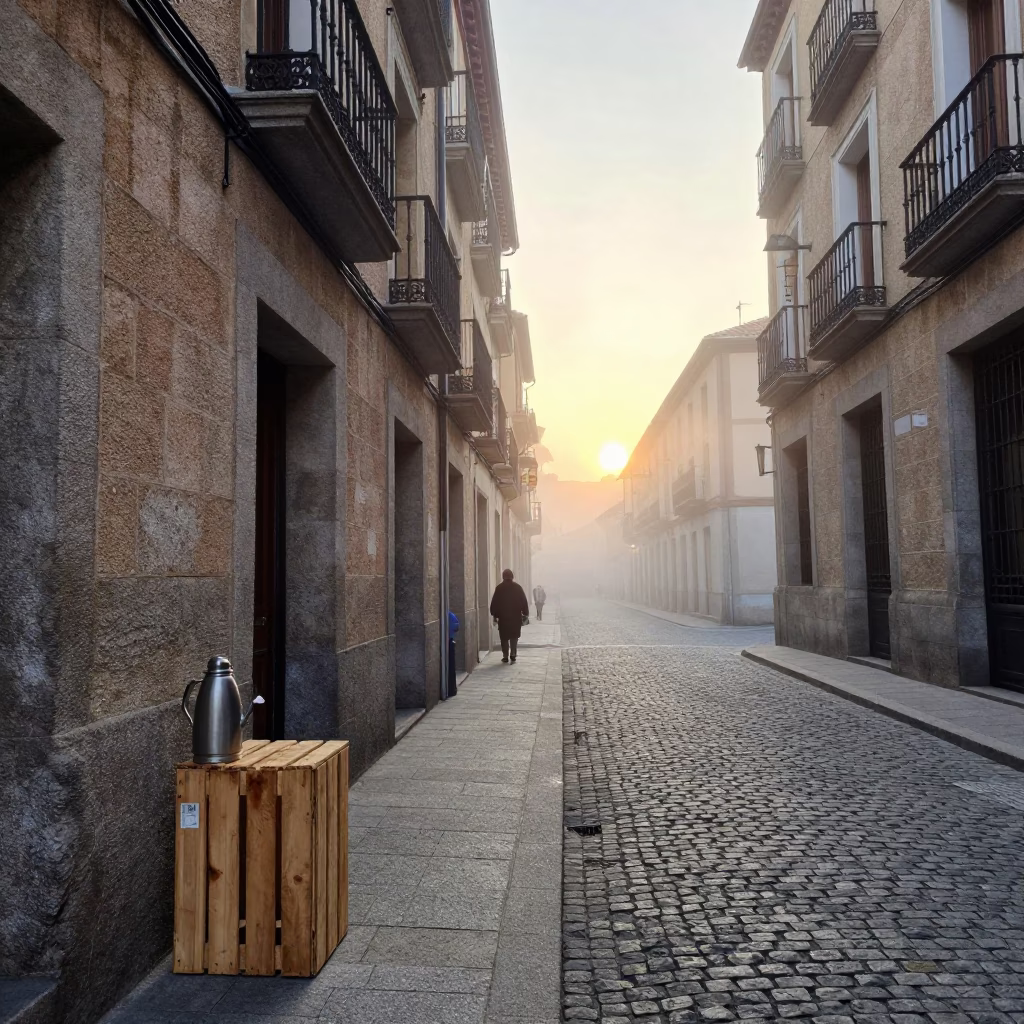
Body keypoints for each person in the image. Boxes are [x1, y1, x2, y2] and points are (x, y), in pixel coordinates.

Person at [489, 569, 530, 664]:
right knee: (514, 636)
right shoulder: (518, 587)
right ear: (512, 576)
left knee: (504, 637)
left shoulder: (499, 588)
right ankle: (513, 654)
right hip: (515, 617)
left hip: (503, 618)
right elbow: (524, 601)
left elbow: (495, 602)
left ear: (503, 576)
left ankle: (505, 656)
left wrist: (494, 614)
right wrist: (525, 613)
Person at [447, 609, 459, 698]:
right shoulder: (450, 615)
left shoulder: (448, 615)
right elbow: (456, 627)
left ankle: (451, 689)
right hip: (450, 641)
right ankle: (452, 689)